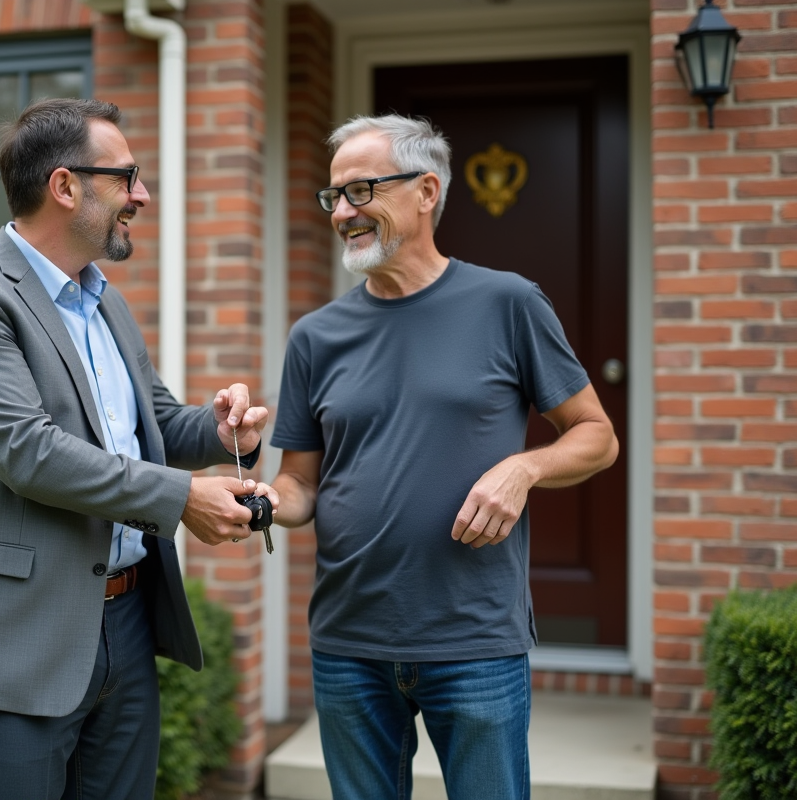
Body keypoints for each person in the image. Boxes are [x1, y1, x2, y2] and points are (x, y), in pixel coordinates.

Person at [0, 98, 273, 800]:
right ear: (65, 186)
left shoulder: (105, 301)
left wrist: (219, 432)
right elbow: (28, 452)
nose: (141, 195)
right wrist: (181, 499)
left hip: (125, 623)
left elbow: (151, 423)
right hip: (10, 637)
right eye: (126, 177)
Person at [255, 114, 619, 799]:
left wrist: (523, 468)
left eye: (360, 191)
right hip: (348, 641)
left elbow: (595, 434)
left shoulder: (508, 303)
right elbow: (300, 484)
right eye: (333, 196)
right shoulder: (315, 337)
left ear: (426, 191)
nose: (342, 212)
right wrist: (265, 503)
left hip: (473, 639)